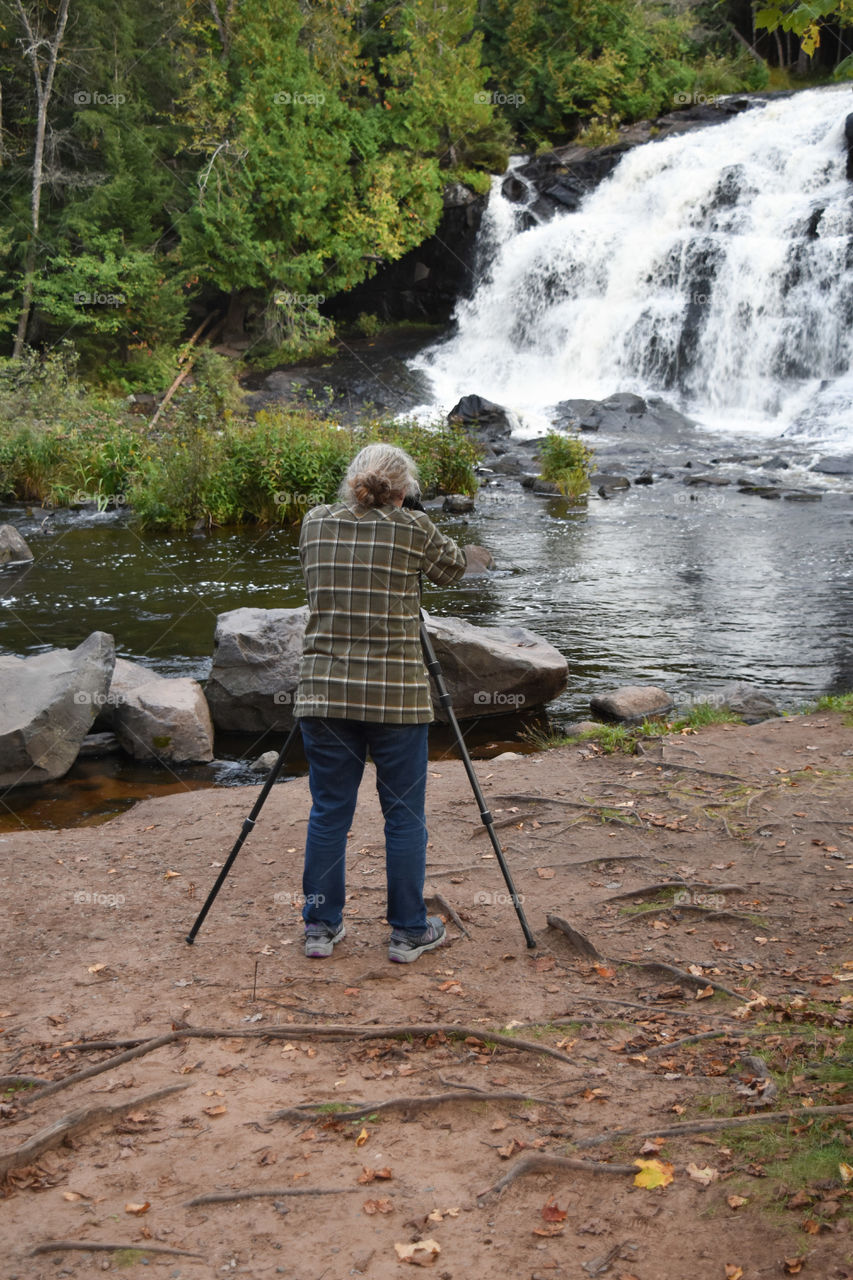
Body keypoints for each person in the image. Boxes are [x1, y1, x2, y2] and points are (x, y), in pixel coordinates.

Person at [294, 443, 466, 962]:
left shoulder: (314, 523)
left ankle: (321, 928)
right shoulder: (413, 530)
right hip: (397, 700)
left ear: (352, 480)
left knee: (329, 812)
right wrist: (413, 518)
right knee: (404, 817)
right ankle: (408, 930)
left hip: (324, 694)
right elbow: (455, 569)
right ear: (403, 490)